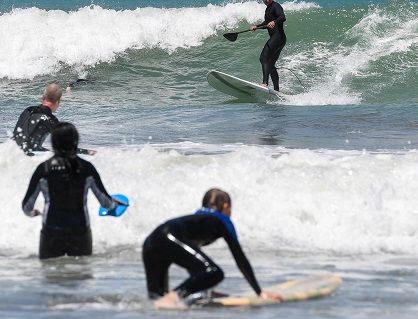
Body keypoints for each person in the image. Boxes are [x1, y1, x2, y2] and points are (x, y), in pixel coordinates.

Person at [142, 188, 282, 309]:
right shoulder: (222, 220)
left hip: (151, 241)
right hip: (168, 236)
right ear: (226, 206)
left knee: (157, 299)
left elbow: (194, 264)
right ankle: (174, 297)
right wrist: (259, 292)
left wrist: (205, 287)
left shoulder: (196, 218)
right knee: (214, 272)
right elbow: (239, 257)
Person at [21, 122, 124, 259]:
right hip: (80, 233)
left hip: (51, 233)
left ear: (53, 142)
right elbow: (105, 203)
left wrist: (35, 213)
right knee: (79, 276)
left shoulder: (43, 169)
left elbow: (26, 207)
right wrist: (114, 203)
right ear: (75, 141)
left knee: (51, 277)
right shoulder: (87, 168)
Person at [250, 0, 286, 91]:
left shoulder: (276, 6)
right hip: (280, 39)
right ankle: (276, 90)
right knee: (270, 65)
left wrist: (274, 21)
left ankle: (265, 83)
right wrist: (256, 26)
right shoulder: (268, 9)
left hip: (278, 37)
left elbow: (283, 17)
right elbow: (266, 23)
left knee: (263, 58)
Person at [13, 83, 62, 153]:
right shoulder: (51, 120)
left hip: (11, 150)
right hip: (28, 156)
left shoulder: (28, 110)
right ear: (59, 100)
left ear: (43, 97)